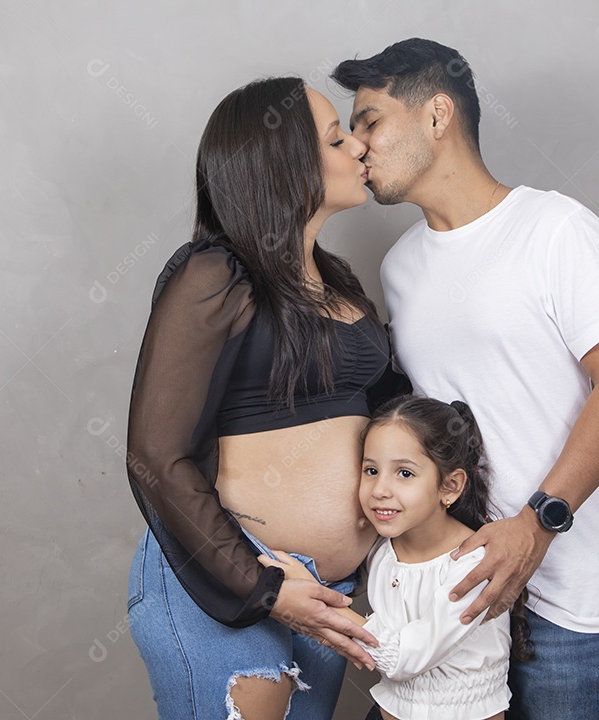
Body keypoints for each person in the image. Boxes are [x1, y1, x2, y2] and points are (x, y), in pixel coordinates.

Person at [331, 40, 599, 719]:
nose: (357, 147)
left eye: (369, 122)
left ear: (437, 114)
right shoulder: (399, 267)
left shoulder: (556, 229)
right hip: (455, 606)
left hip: (565, 612)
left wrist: (537, 523)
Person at [124, 76, 409, 720]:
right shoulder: (215, 275)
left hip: (325, 593)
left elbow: (400, 415)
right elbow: (155, 454)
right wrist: (262, 587)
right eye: (338, 138)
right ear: (286, 167)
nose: (360, 148)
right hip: (230, 583)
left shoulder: (339, 282)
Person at [259, 395, 534, 720]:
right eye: (371, 470)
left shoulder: (473, 566)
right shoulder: (380, 548)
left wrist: (313, 598)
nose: (379, 489)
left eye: (404, 473)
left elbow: (405, 658)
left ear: (450, 486)